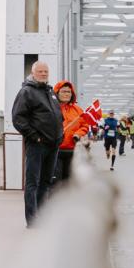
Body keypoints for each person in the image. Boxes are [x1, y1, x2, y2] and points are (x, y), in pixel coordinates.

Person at [10, 60, 62, 227]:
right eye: (40, 71)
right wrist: (34, 136)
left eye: (46, 71)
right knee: (33, 182)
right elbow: (18, 118)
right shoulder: (27, 92)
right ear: (33, 73)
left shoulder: (50, 92)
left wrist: (60, 135)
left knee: (46, 181)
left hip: (53, 145)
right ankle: (32, 220)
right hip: (37, 144)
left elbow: (57, 116)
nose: (44, 74)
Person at [53, 80, 88, 186]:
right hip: (55, 151)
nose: (66, 94)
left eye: (69, 92)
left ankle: (66, 202)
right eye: (63, 91)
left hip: (72, 150)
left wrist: (78, 134)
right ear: (57, 93)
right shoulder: (52, 108)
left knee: (69, 182)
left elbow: (85, 125)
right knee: (55, 181)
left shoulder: (78, 110)